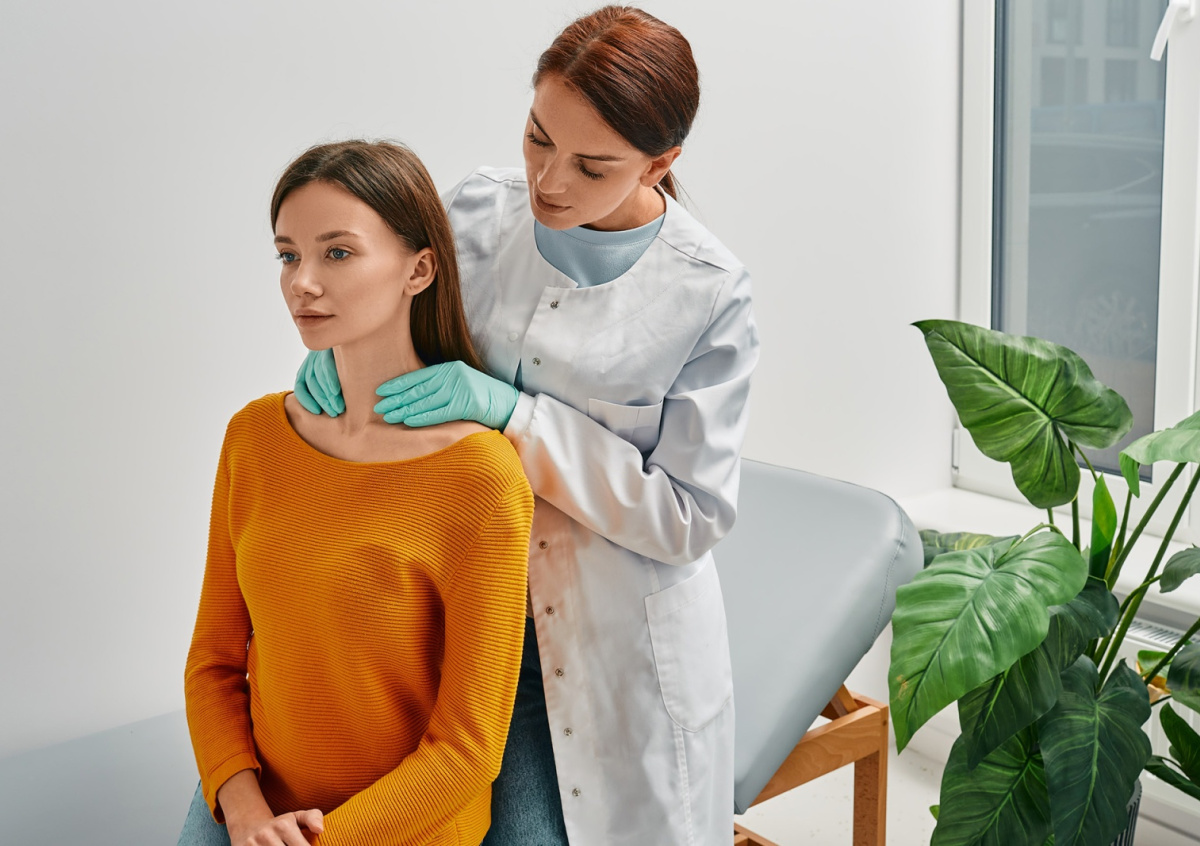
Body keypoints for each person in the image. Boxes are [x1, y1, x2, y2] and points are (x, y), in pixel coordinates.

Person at [295, 7, 760, 845]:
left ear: (660, 163)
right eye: (538, 138)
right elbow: (390, 312)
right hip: (449, 616)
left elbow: (689, 516)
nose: (549, 179)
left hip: (597, 648)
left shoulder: (709, 293)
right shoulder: (476, 209)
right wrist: (344, 350)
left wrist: (518, 418)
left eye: (592, 166)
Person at [179, 140, 534, 846]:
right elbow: (213, 662)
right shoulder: (254, 436)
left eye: (337, 253)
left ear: (419, 269)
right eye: (288, 255)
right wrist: (246, 813)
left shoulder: (481, 478)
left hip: (409, 830)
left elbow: (468, 748)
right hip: (259, 818)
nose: (302, 283)